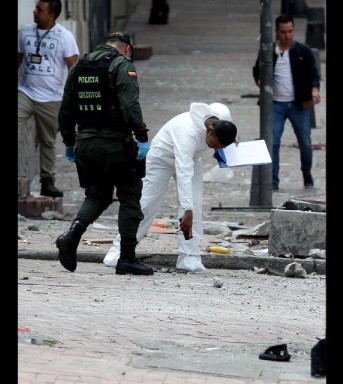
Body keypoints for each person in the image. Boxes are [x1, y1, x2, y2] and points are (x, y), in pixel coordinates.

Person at [55, 32, 154, 276]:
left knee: (97, 196)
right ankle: (127, 259)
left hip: (85, 144)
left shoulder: (80, 65)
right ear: (127, 49)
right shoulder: (121, 64)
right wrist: (141, 137)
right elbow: (130, 105)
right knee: (130, 196)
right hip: (115, 144)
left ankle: (72, 235)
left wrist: (69, 141)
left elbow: (65, 108)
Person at [103, 102, 238, 273]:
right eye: (215, 144)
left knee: (196, 204)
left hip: (192, 160)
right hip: (162, 157)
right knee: (147, 204)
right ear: (209, 130)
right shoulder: (188, 133)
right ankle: (119, 251)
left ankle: (189, 256)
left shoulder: (222, 116)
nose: (217, 148)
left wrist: (190, 208)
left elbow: (191, 169)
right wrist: (186, 210)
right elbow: (183, 173)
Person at [18, 0, 79, 198]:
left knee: (47, 141)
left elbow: (74, 68)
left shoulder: (64, 37)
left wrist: (73, 98)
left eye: (39, 10)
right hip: (25, 92)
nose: (35, 12)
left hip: (52, 97)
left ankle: (47, 181)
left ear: (51, 15)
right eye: (35, 8)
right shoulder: (25, 32)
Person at [252, 14, 320, 191]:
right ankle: (273, 181)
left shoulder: (303, 50)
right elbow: (257, 71)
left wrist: (315, 90)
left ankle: (307, 173)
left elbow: (314, 75)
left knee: (305, 142)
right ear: (276, 32)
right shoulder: (268, 50)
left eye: (290, 31)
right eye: (283, 32)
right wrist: (261, 83)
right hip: (275, 104)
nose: (287, 35)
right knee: (272, 141)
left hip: (298, 104)